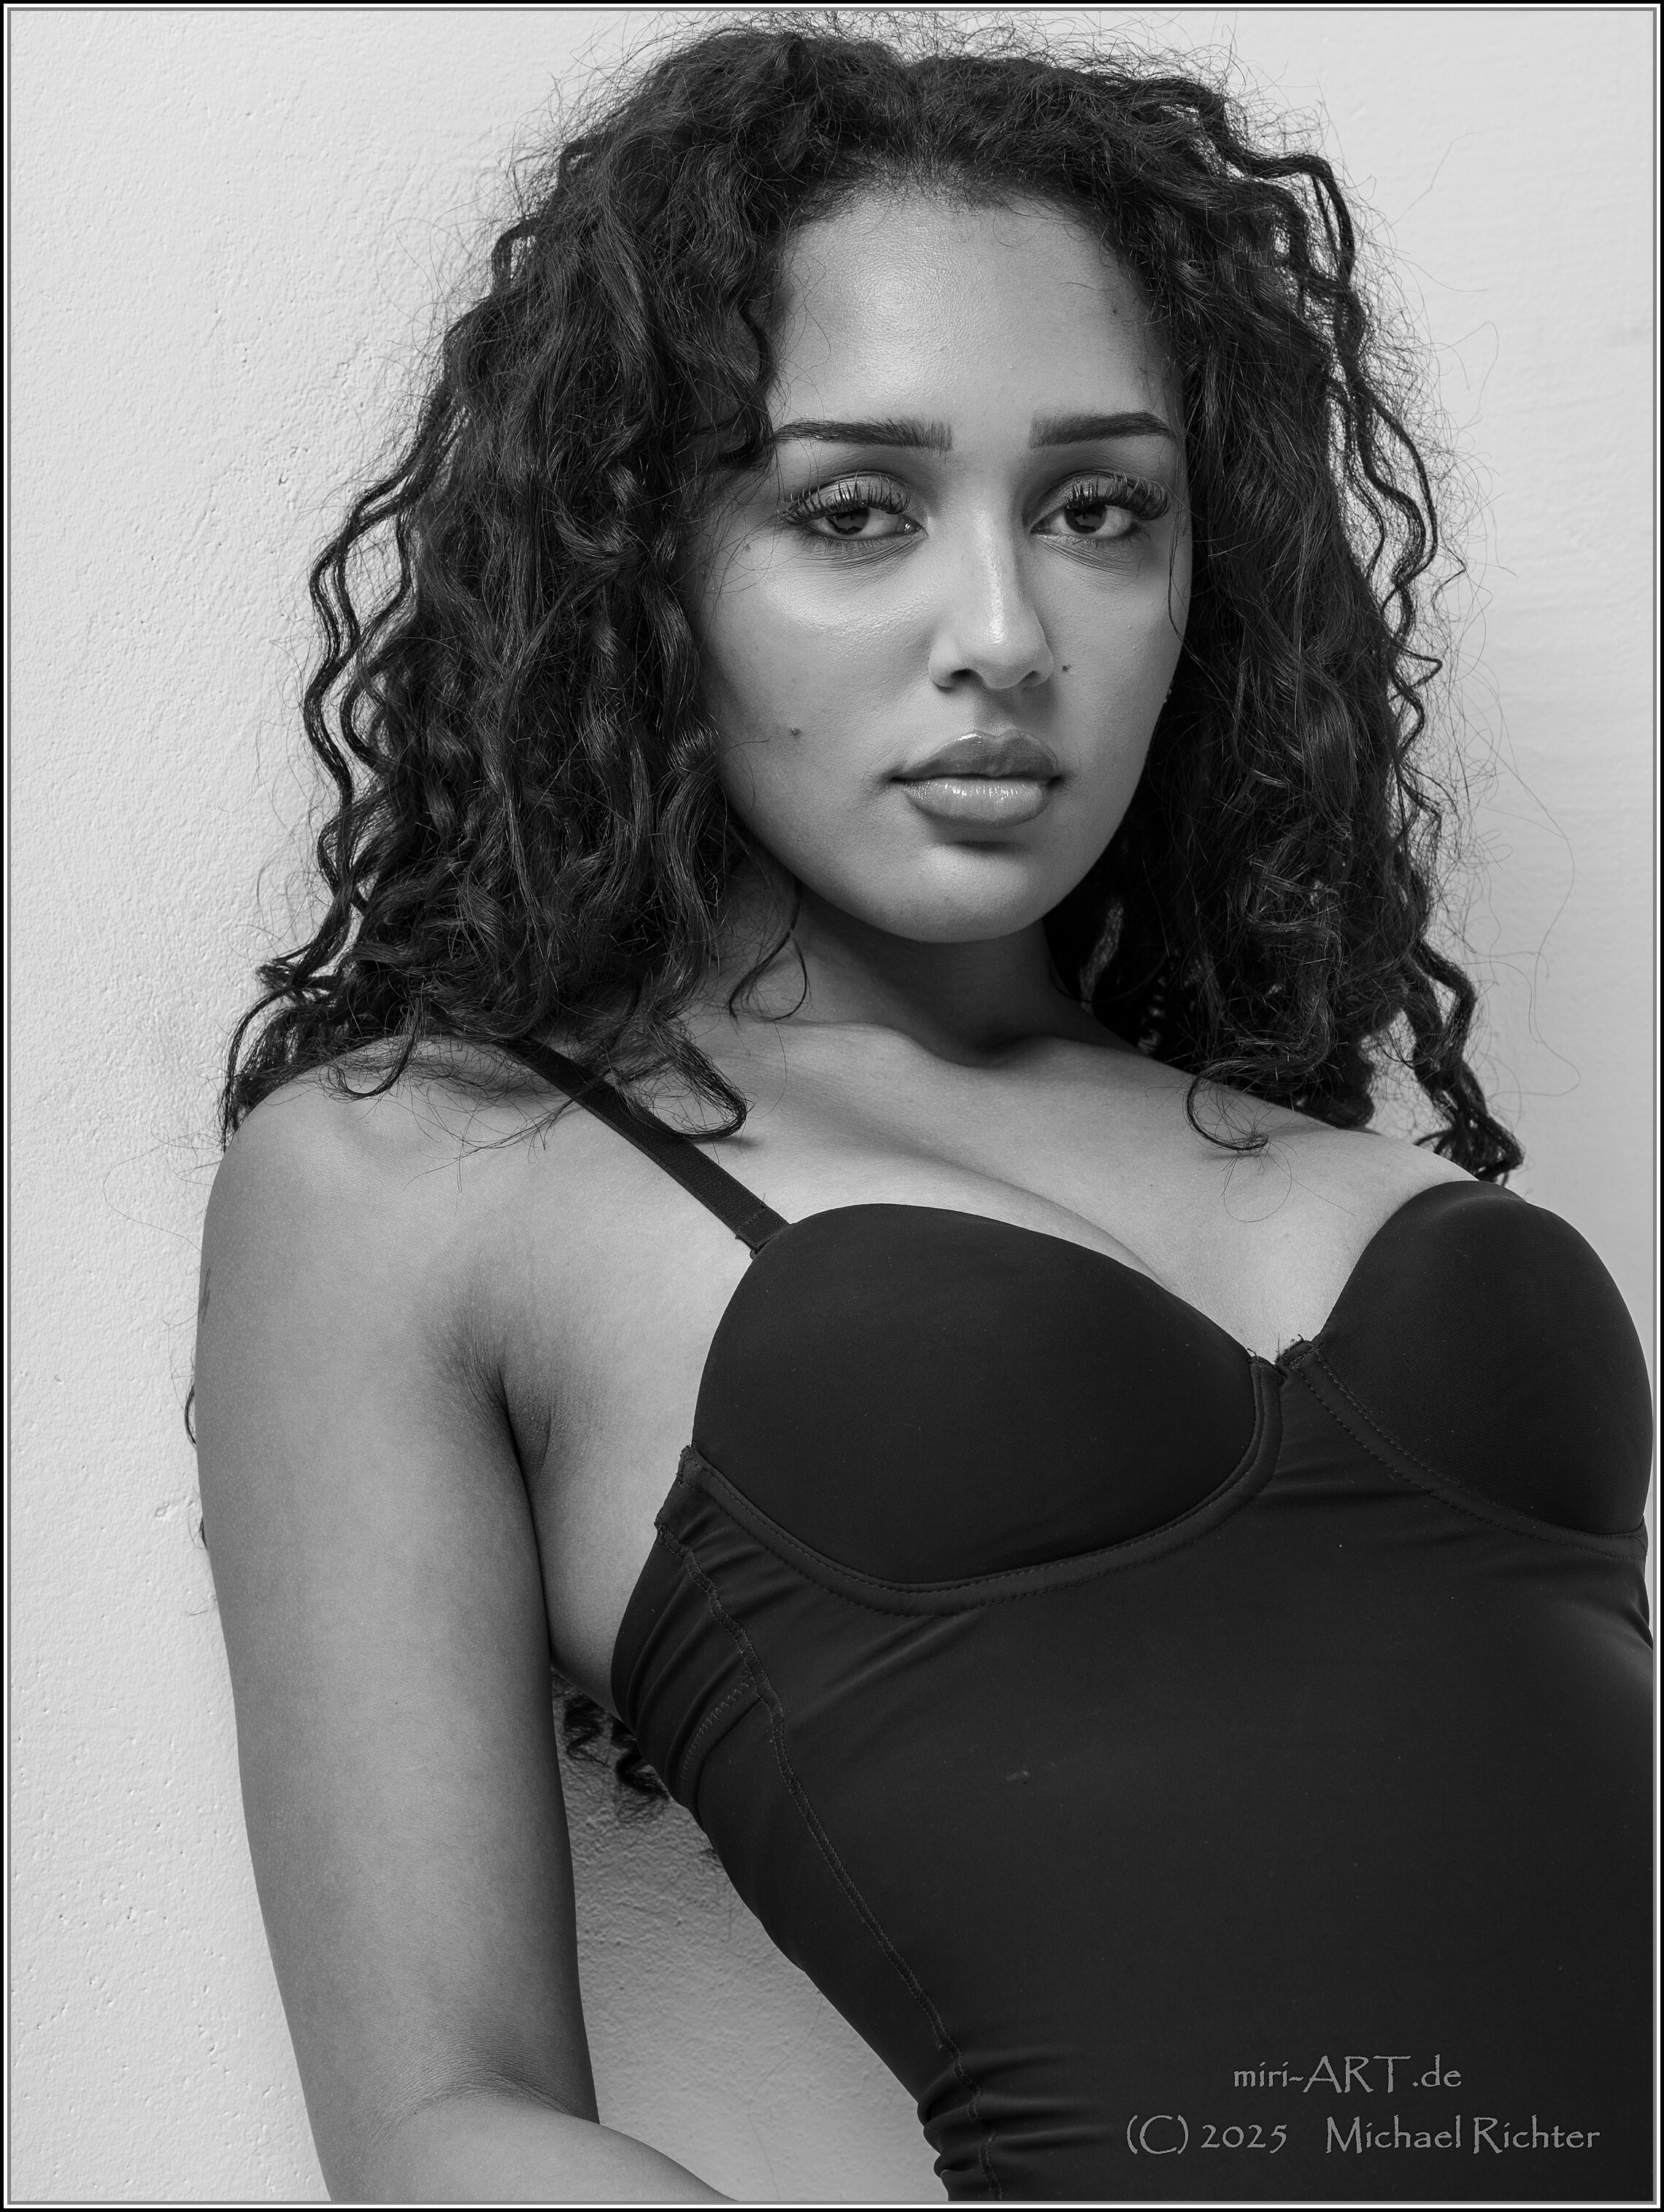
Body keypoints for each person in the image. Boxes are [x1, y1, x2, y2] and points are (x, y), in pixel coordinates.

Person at [191, 20, 1652, 2204]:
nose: (1004, 632)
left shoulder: (1327, 1159)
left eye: (1098, 509)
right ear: (643, 565)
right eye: (855, 511)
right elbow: (443, 2127)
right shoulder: (428, 1177)